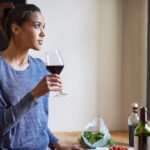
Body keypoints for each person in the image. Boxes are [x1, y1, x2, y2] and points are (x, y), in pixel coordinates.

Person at [0, 2, 83, 150]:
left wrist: (57, 145)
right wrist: (34, 94)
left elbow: (38, 122)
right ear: (16, 28)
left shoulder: (40, 67)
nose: (43, 33)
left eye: (44, 27)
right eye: (37, 26)